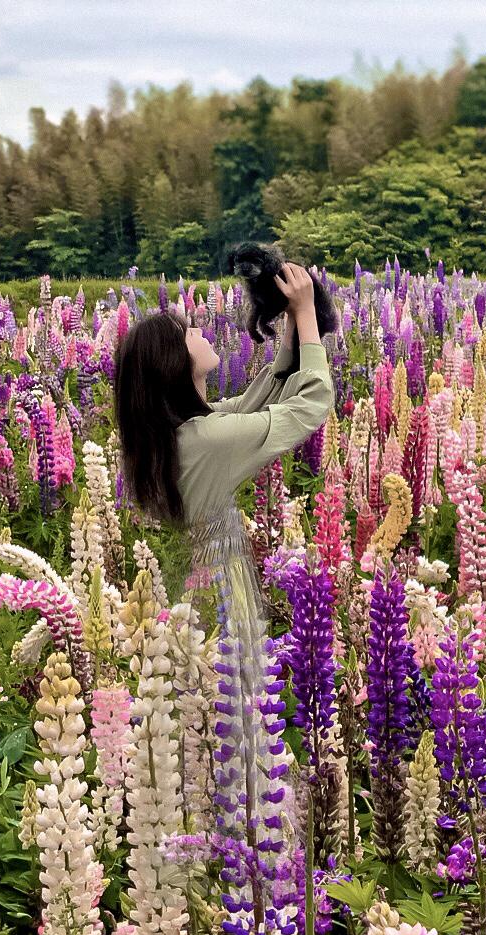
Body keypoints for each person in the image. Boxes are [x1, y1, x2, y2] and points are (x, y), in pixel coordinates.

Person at [114, 262, 335, 697]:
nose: (198, 332)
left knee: (208, 703)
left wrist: (290, 329)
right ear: (173, 363)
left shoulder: (178, 434)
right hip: (222, 587)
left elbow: (247, 409)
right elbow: (312, 403)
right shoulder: (208, 440)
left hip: (197, 582)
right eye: (186, 335)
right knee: (234, 701)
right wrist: (308, 313)